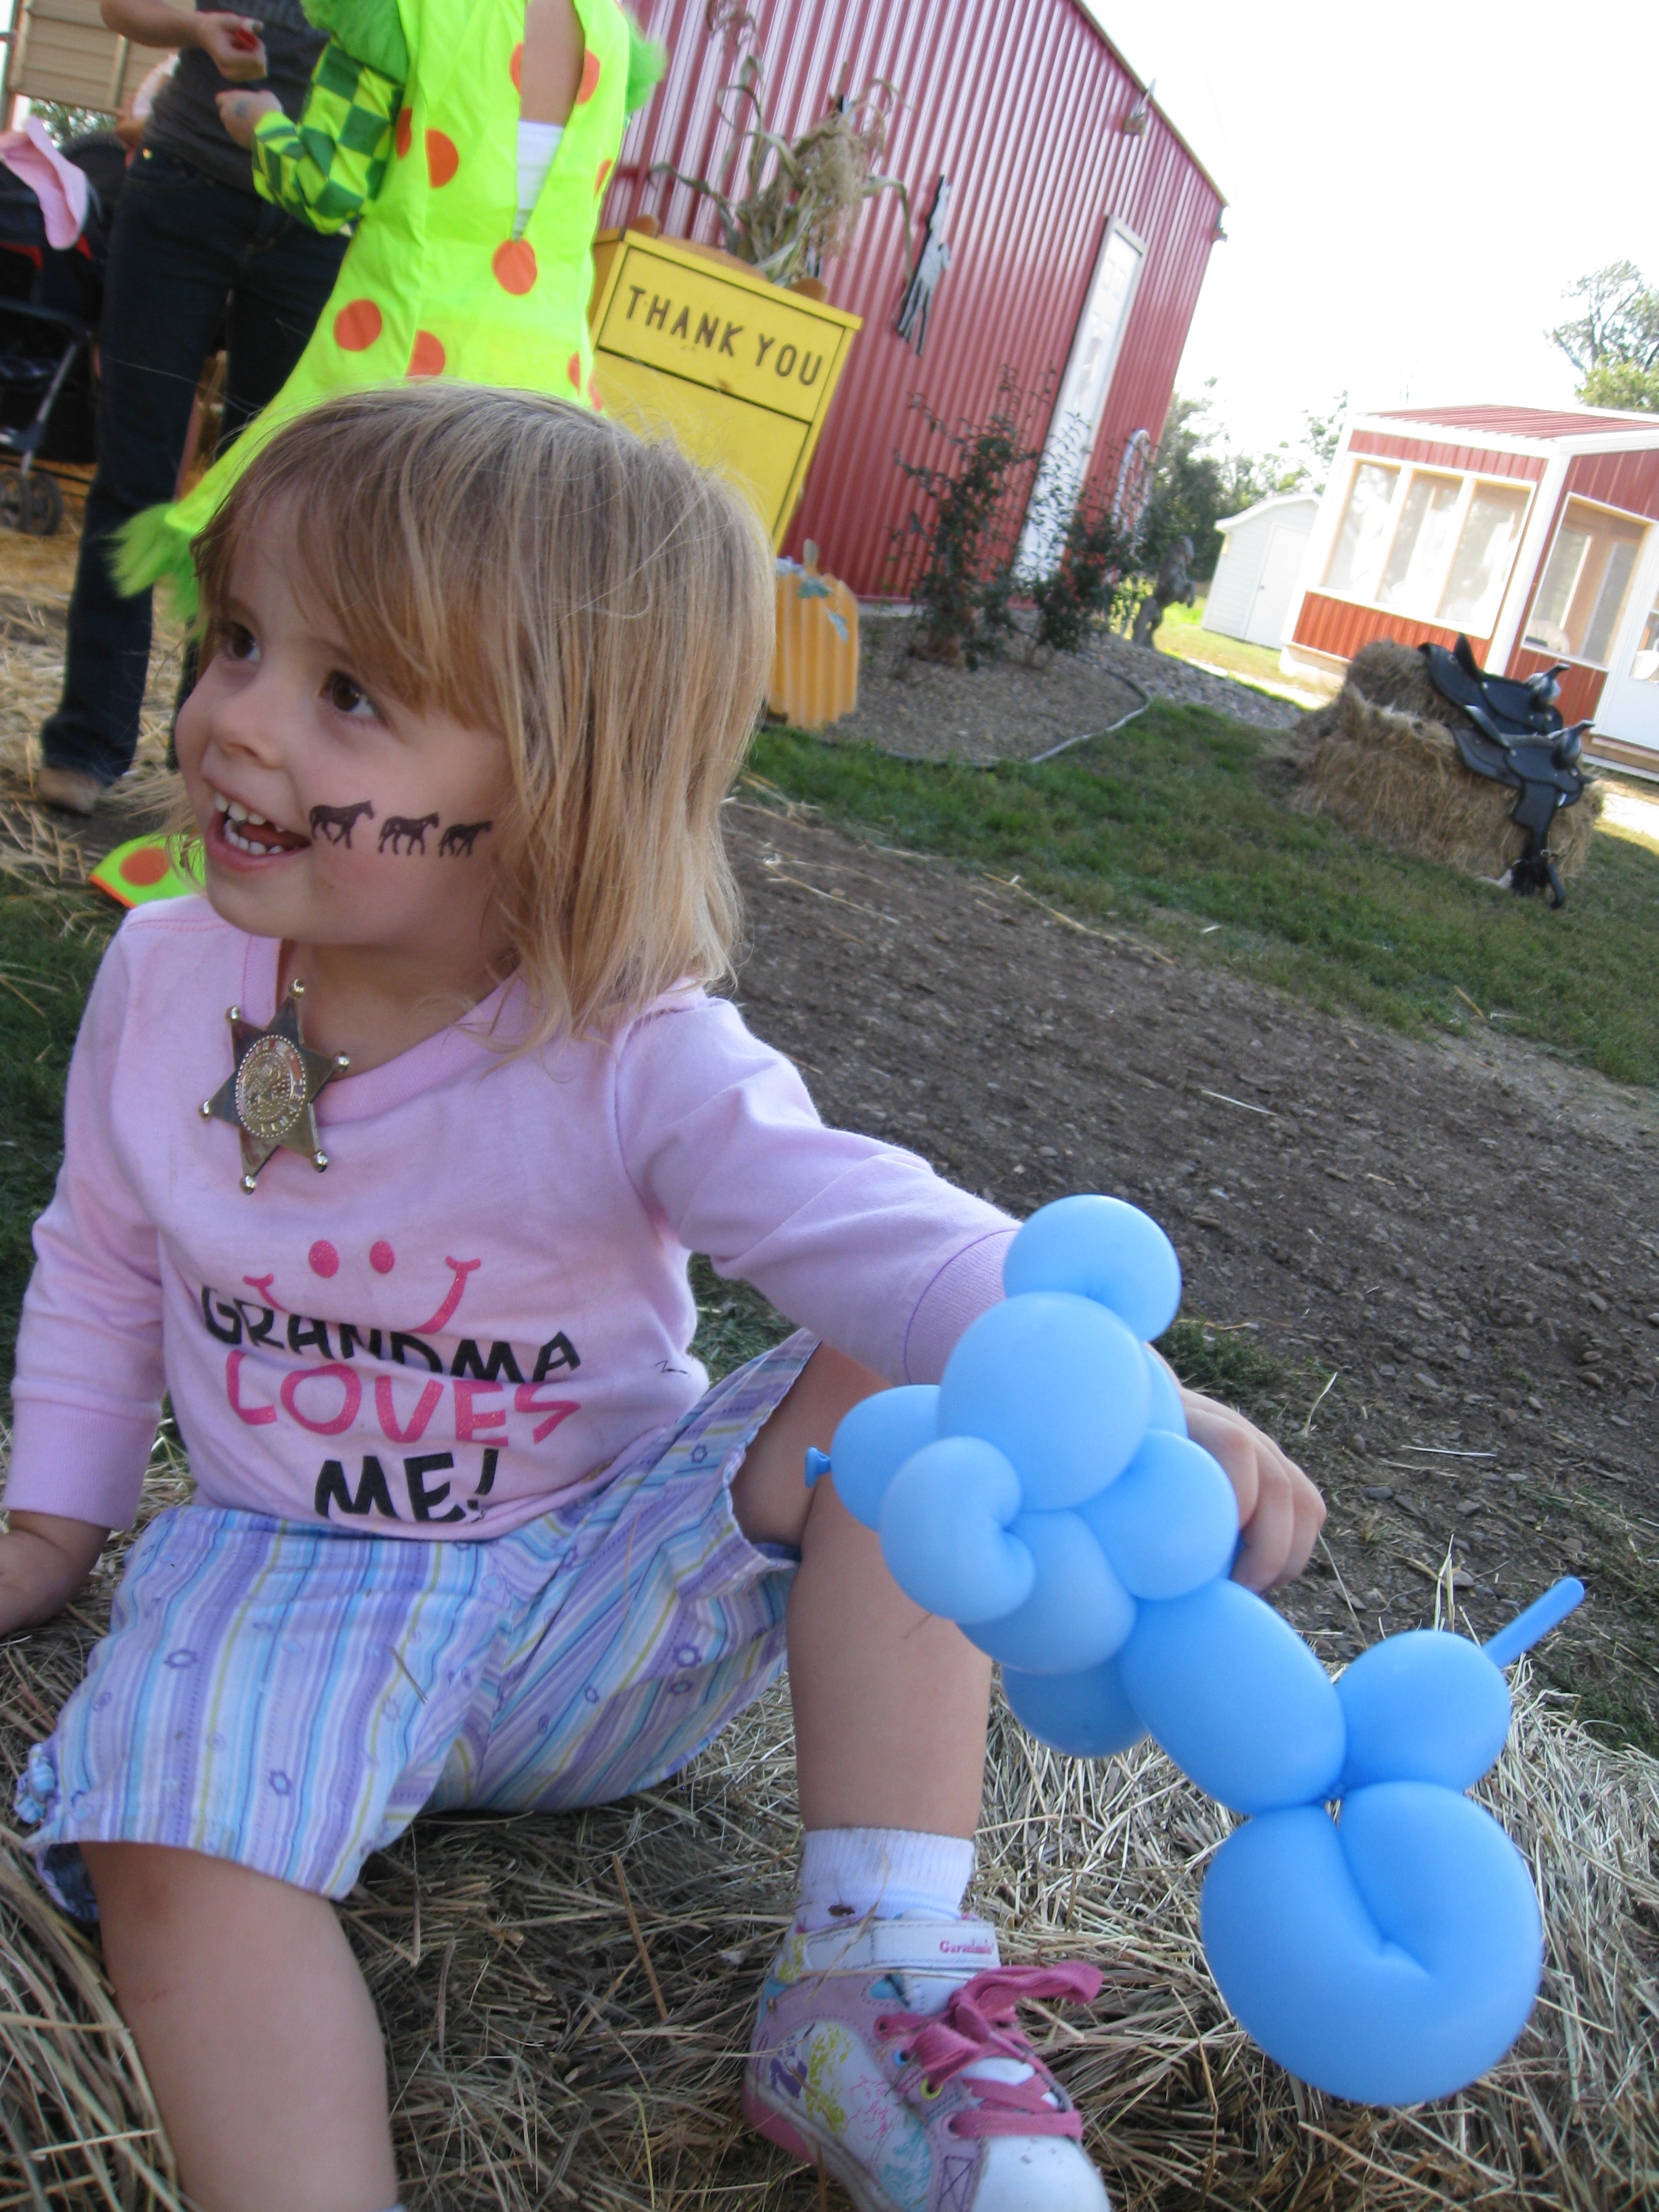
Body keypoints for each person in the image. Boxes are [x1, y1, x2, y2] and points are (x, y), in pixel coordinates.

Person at [2, 386, 1325, 2212]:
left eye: (348, 691)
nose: (233, 715)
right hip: (286, 1586)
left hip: (605, 1602)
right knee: (169, 1851)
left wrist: (1099, 1392)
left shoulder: (629, 1047)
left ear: (558, 775)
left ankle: (873, 1970)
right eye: (238, 639)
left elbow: (866, 1226)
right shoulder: (165, 981)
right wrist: (55, 1519)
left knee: (906, 1391)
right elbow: (100, 1256)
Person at [115, 0, 663, 623]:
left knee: (301, 572)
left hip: (401, 357)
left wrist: (261, 123)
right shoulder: (611, 35)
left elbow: (326, 189)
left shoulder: (401, 13)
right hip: (545, 379)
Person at [34, 0, 349, 816]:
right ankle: (88, 740)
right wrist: (196, 28)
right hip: (184, 185)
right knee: (134, 472)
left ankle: (209, 758)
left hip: (318, 216)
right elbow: (124, 7)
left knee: (261, 500)